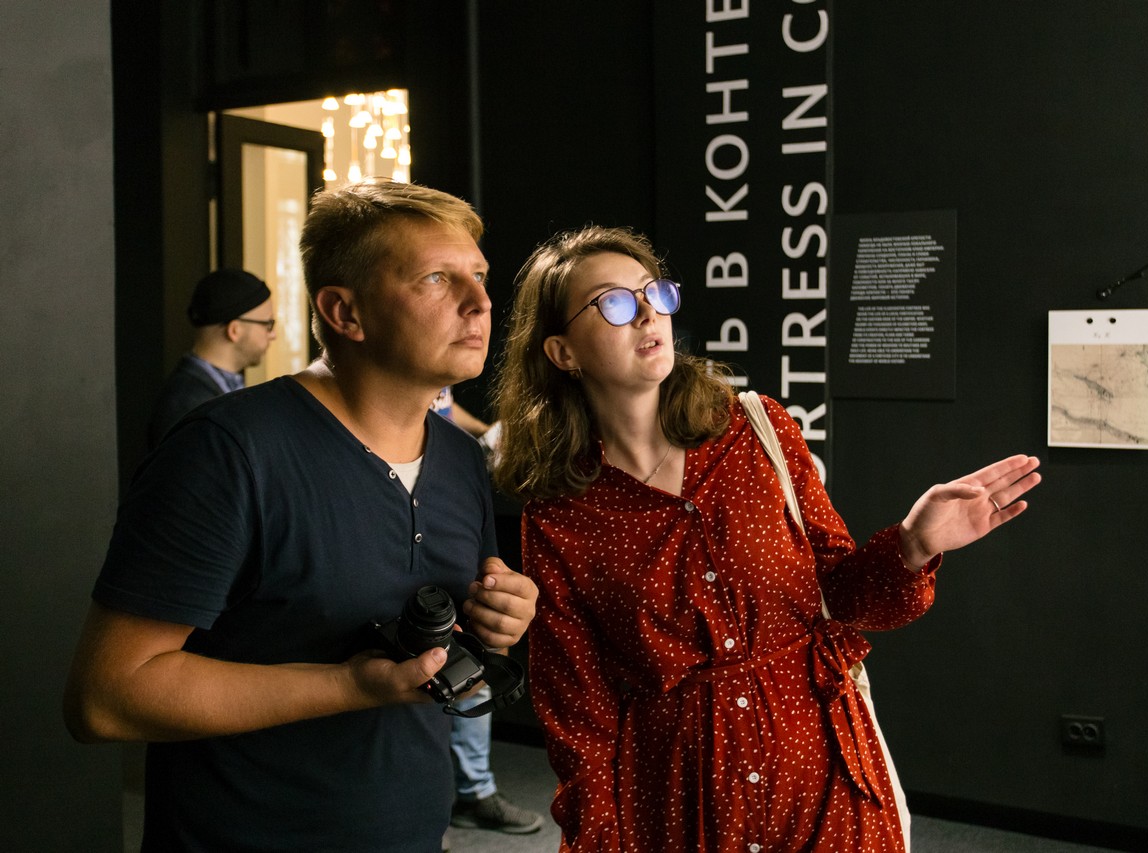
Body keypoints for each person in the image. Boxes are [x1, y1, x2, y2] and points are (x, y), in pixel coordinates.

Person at [491, 225, 1041, 852]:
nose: (648, 313)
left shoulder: (758, 431)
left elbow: (842, 597)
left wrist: (913, 544)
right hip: (684, 805)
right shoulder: (561, 514)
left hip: (824, 780)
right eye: (613, 302)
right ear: (563, 353)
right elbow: (577, 710)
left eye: (654, 292)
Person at [63, 179, 538, 853]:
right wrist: (348, 685)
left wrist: (496, 621)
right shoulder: (228, 452)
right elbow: (105, 698)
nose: (480, 302)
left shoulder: (461, 458)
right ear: (344, 312)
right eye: (436, 278)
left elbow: (448, 649)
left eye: (480, 276)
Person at [429, 388, 543, 838]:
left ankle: (472, 793)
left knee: (474, 659)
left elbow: (440, 402)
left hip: (446, 475)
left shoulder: (459, 451)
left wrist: (482, 432)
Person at [147, 267, 276, 448]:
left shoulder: (215, 390)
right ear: (235, 331)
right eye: (268, 324)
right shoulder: (188, 405)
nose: (273, 335)